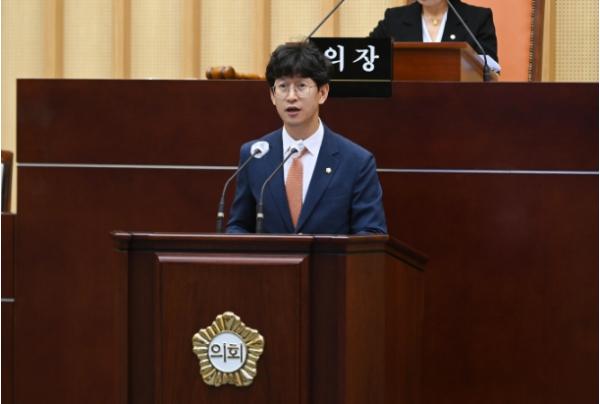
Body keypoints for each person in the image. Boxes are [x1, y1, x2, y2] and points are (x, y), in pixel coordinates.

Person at [226, 42, 387, 235]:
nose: (291, 97)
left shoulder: (356, 161)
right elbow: (238, 226)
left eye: (301, 86)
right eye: (283, 86)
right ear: (272, 95)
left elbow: (371, 232)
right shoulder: (255, 155)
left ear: (322, 93)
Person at [370, 0, 499, 66]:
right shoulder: (395, 18)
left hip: (460, 102)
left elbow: (490, 72)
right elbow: (368, 54)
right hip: (405, 102)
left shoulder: (477, 19)